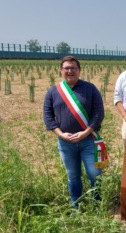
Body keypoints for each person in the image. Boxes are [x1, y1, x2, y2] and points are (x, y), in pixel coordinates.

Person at [43, 56, 105, 208]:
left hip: (89, 140)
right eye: (67, 68)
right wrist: (60, 134)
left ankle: (97, 205)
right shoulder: (53, 91)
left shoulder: (90, 89)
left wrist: (85, 132)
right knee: (73, 176)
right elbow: (48, 116)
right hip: (66, 143)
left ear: (79, 70)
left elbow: (99, 113)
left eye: (73, 68)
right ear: (61, 70)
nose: (70, 71)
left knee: (95, 174)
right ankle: (76, 206)